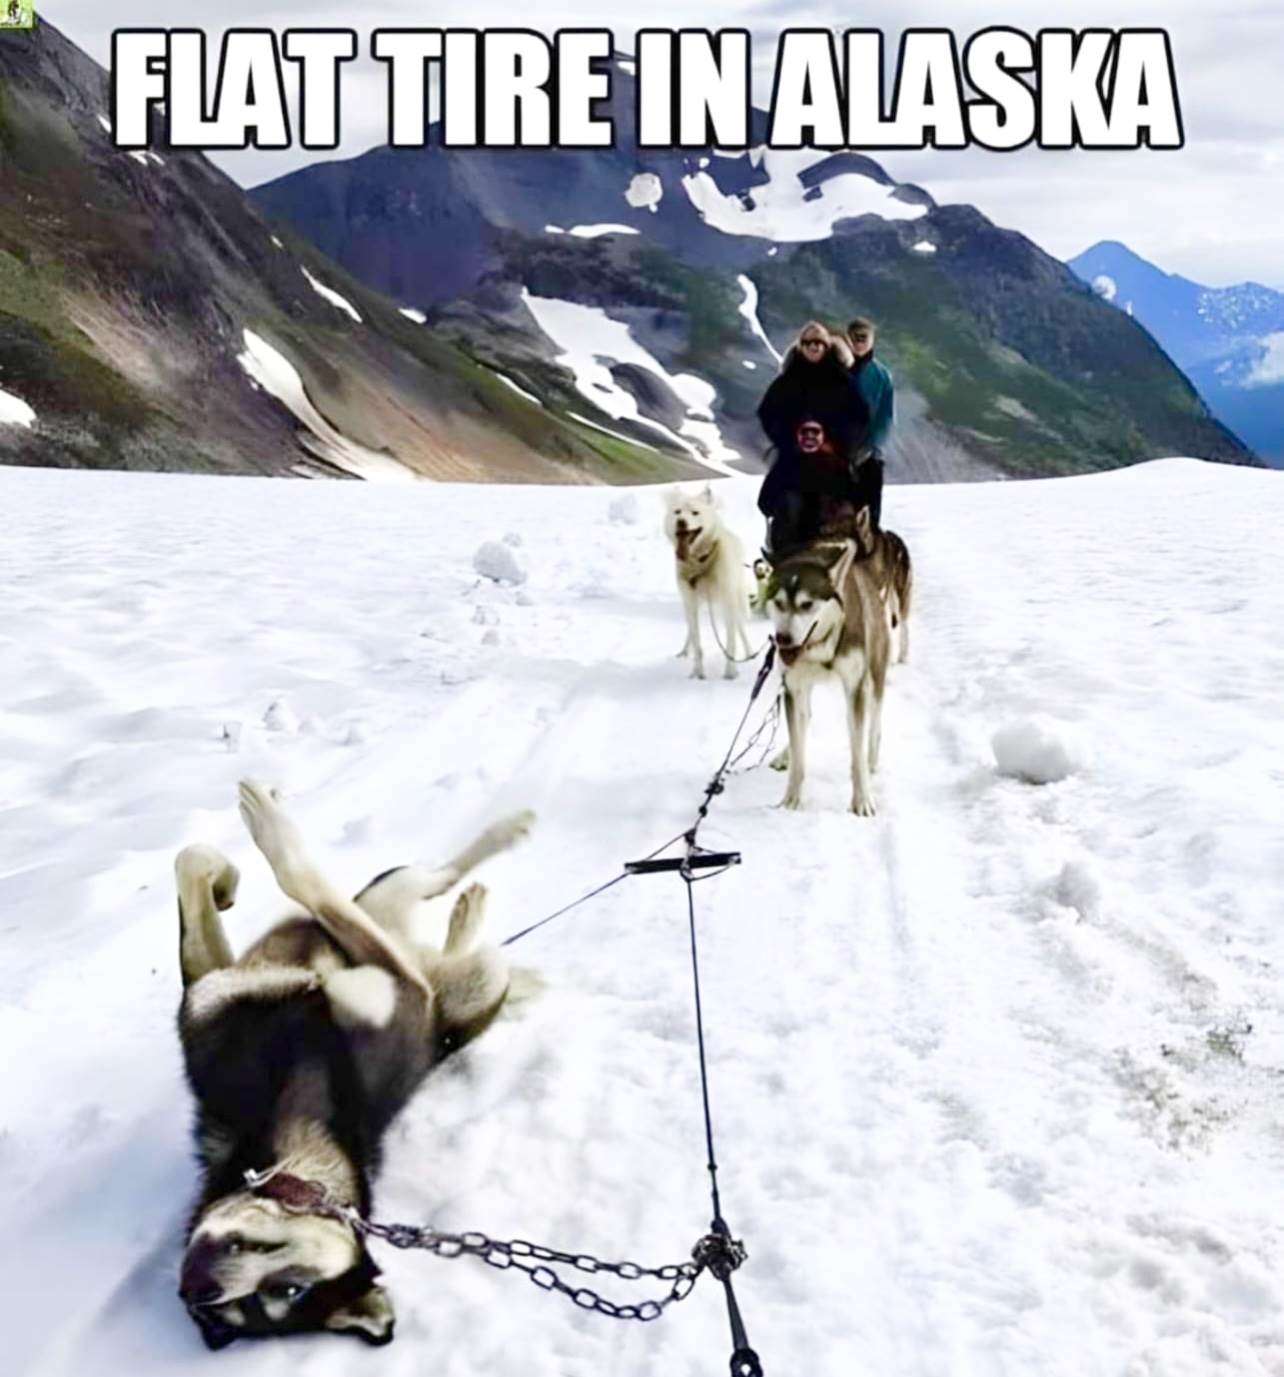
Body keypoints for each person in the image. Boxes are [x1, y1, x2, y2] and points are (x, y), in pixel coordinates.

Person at [757, 416, 866, 556]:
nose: (810, 437)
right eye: (805, 432)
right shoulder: (787, 465)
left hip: (820, 540)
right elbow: (765, 504)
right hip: (804, 540)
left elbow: (765, 504)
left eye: (814, 432)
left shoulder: (834, 464)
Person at [757, 322, 866, 457]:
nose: (813, 346)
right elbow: (767, 412)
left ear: (826, 346)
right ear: (800, 346)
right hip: (793, 455)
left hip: (830, 457)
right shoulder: (787, 381)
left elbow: (859, 417)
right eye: (807, 342)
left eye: (818, 342)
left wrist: (837, 444)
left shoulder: (842, 381)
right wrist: (787, 441)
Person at [845, 316, 895, 528]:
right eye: (855, 337)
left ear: (872, 340)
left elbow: (885, 417)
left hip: (869, 455)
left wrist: (871, 447)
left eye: (863, 337)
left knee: (868, 515)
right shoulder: (835, 369)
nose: (859, 342)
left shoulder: (882, 376)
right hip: (837, 452)